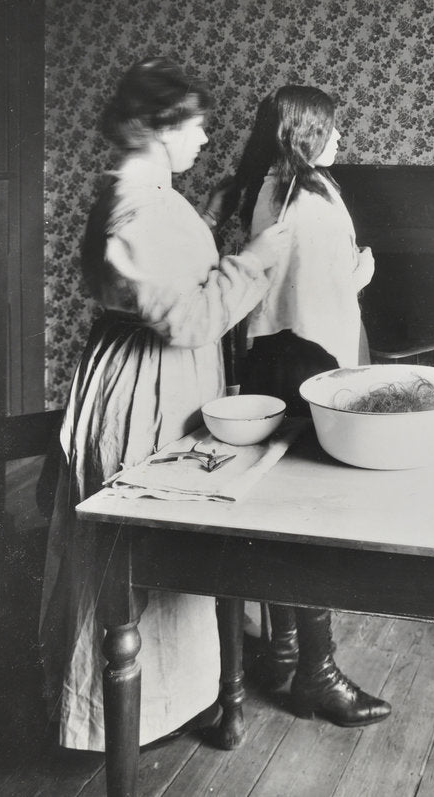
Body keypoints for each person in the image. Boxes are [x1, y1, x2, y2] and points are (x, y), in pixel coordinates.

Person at [38, 57, 286, 751]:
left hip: (164, 379)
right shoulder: (134, 202)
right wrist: (257, 257)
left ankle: (169, 703)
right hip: (142, 386)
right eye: (198, 125)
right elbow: (185, 320)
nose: (206, 138)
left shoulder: (148, 191)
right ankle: (107, 720)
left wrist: (210, 226)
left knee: (164, 556)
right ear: (160, 125)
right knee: (132, 557)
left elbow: (167, 269)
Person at [211, 85, 389, 728]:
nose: (342, 138)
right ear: (311, 132)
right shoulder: (310, 198)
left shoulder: (269, 184)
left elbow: (280, 284)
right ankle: (316, 675)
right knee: (312, 517)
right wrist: (359, 275)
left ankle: (287, 651)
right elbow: (322, 295)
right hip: (308, 362)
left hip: (272, 360)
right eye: (334, 128)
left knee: (283, 510)